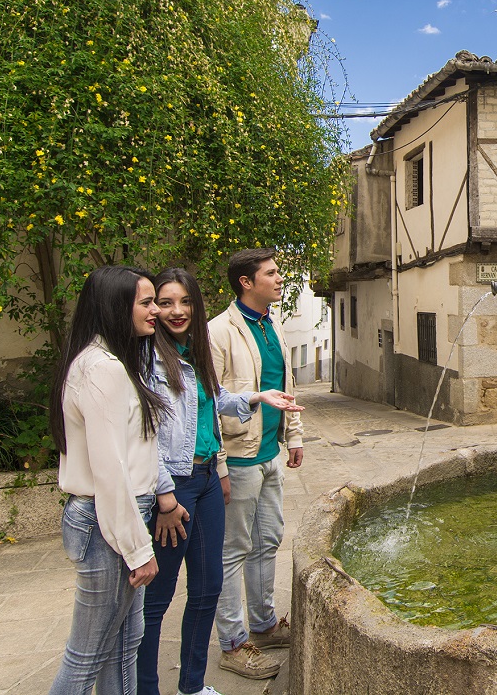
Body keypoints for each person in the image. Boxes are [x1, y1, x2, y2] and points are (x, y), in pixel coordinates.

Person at [138, 267, 303, 695]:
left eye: (185, 302)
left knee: (207, 586)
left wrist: (257, 397)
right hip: (176, 485)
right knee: (157, 600)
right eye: (165, 302)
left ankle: (192, 686)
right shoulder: (147, 359)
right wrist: (166, 496)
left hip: (208, 475)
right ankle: (145, 688)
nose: (176, 311)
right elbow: (144, 434)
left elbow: (216, 400)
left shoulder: (192, 351)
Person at [48, 266, 163, 695]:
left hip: (112, 519)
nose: (156, 311)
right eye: (146, 302)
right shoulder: (103, 370)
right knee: (87, 657)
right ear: (116, 306)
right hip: (108, 523)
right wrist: (137, 550)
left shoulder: (104, 362)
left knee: (123, 645)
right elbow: (110, 471)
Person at [210, 248, 305, 680]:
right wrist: (220, 467)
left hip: (270, 454)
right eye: (271, 273)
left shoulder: (273, 325)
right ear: (247, 282)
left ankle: (264, 625)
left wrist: (294, 436)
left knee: (268, 539)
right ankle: (232, 643)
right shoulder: (218, 332)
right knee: (233, 550)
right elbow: (207, 404)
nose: (280, 278)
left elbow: (283, 385)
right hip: (238, 456)